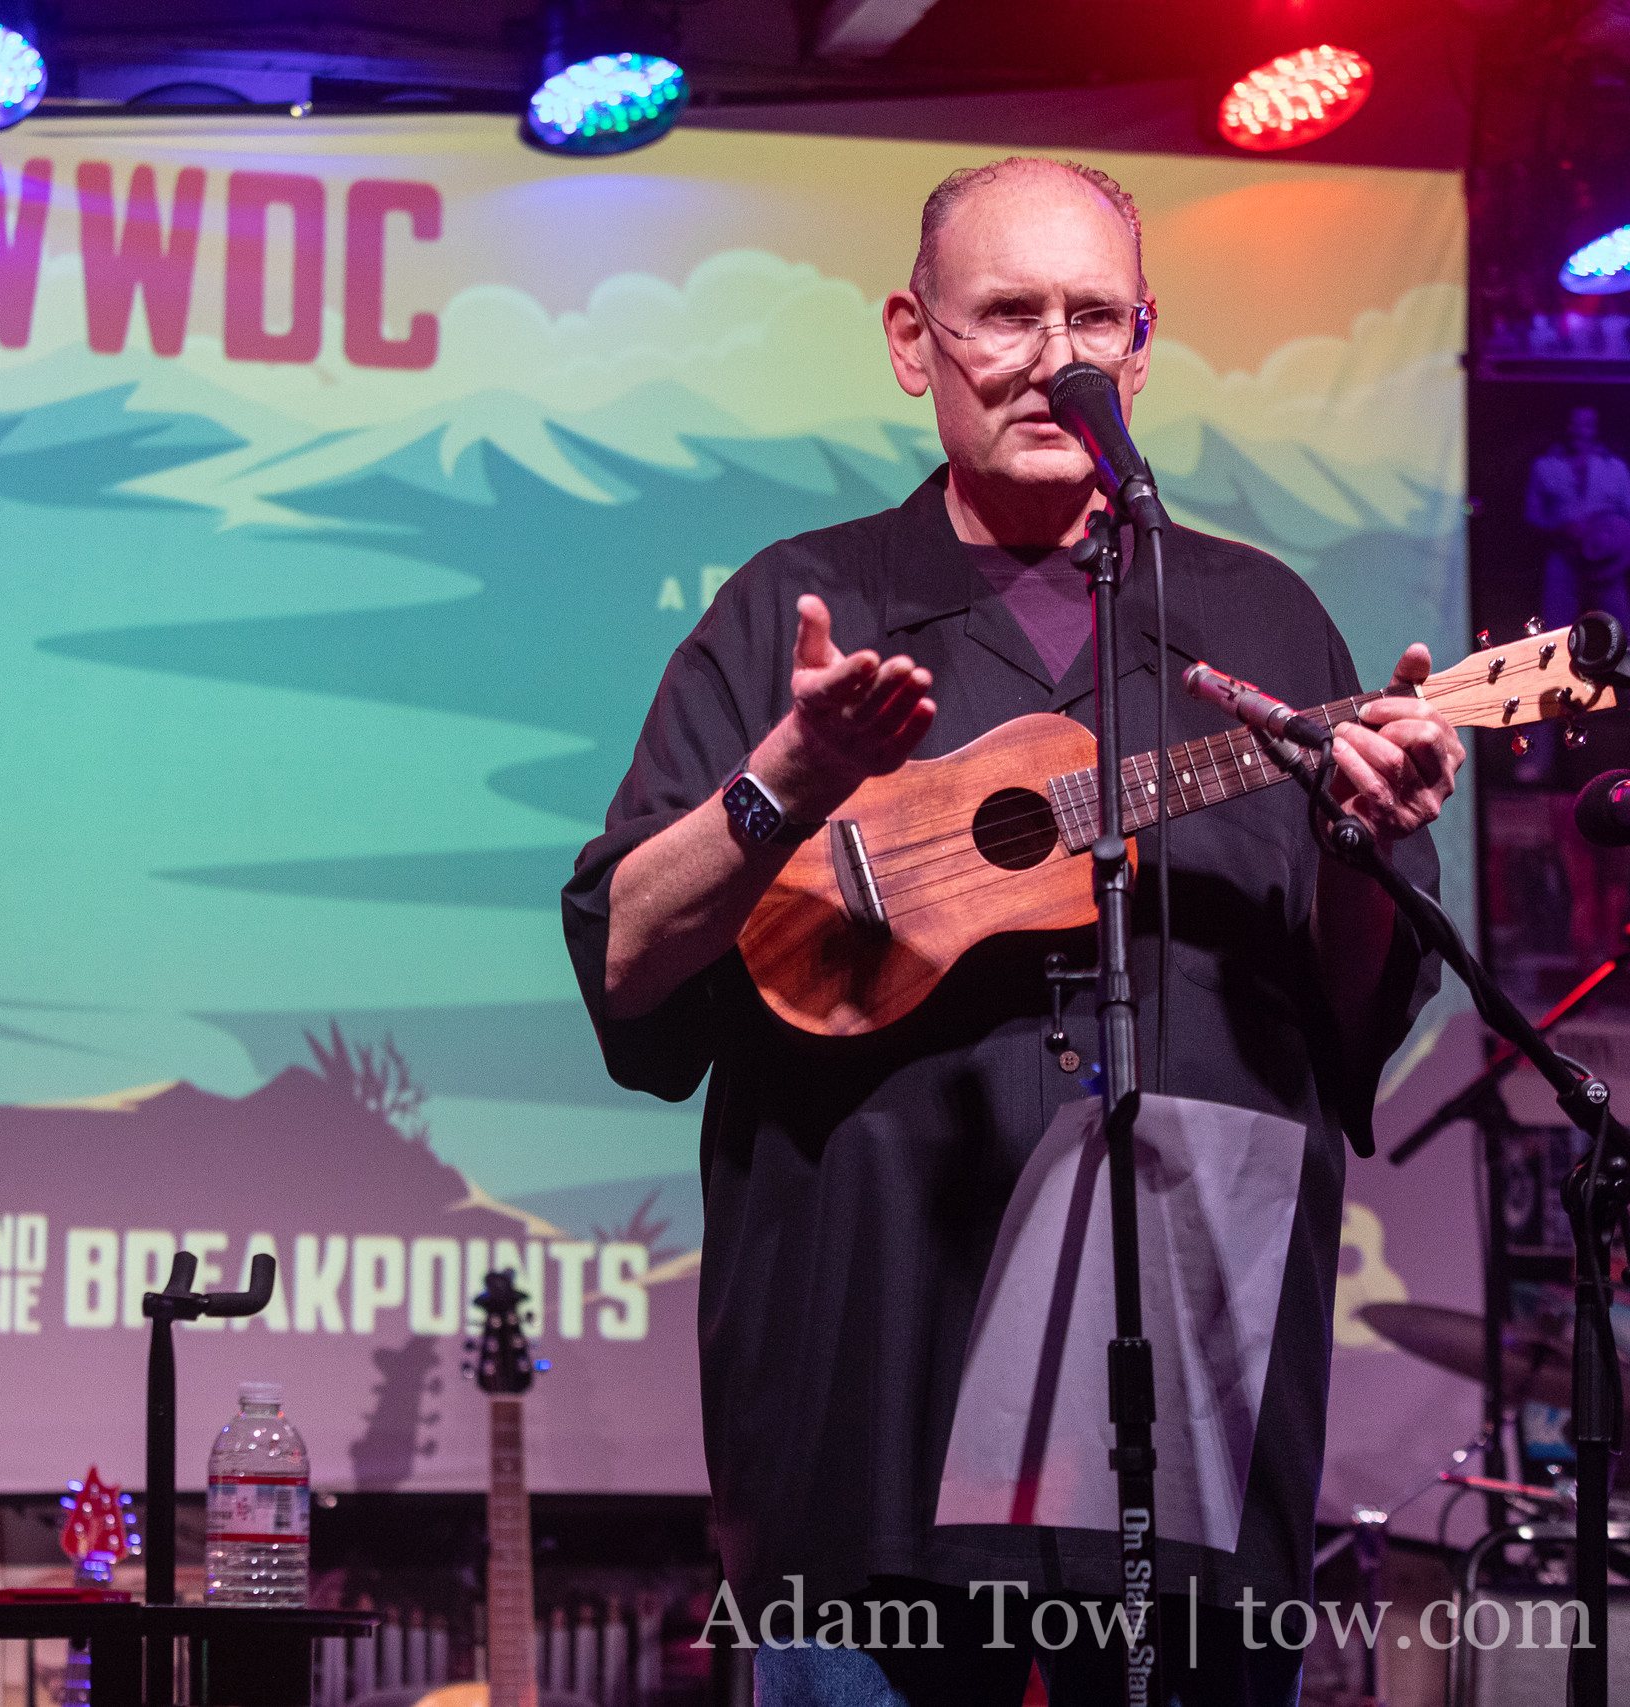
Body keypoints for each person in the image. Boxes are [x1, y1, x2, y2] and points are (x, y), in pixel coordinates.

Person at [560, 158, 1460, 1706]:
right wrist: (783, 784)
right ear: (913, 341)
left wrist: (1363, 847)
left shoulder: (1262, 629)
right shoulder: (793, 605)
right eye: (1007, 315)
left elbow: (1349, 1012)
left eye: (1094, 317)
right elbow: (629, 958)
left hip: (1186, 1404)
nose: (1056, 358)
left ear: (1144, 342)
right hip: (873, 1408)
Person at [1527, 404, 1630, 644]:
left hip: (1608, 563)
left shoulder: (1615, 467)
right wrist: (1559, 528)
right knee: (1557, 629)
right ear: (1566, 426)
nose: (1580, 430)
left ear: (1596, 428)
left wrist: (1610, 537)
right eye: (1575, 424)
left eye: (1588, 424)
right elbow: (1532, 516)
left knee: (1621, 627)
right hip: (1563, 558)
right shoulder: (1544, 466)